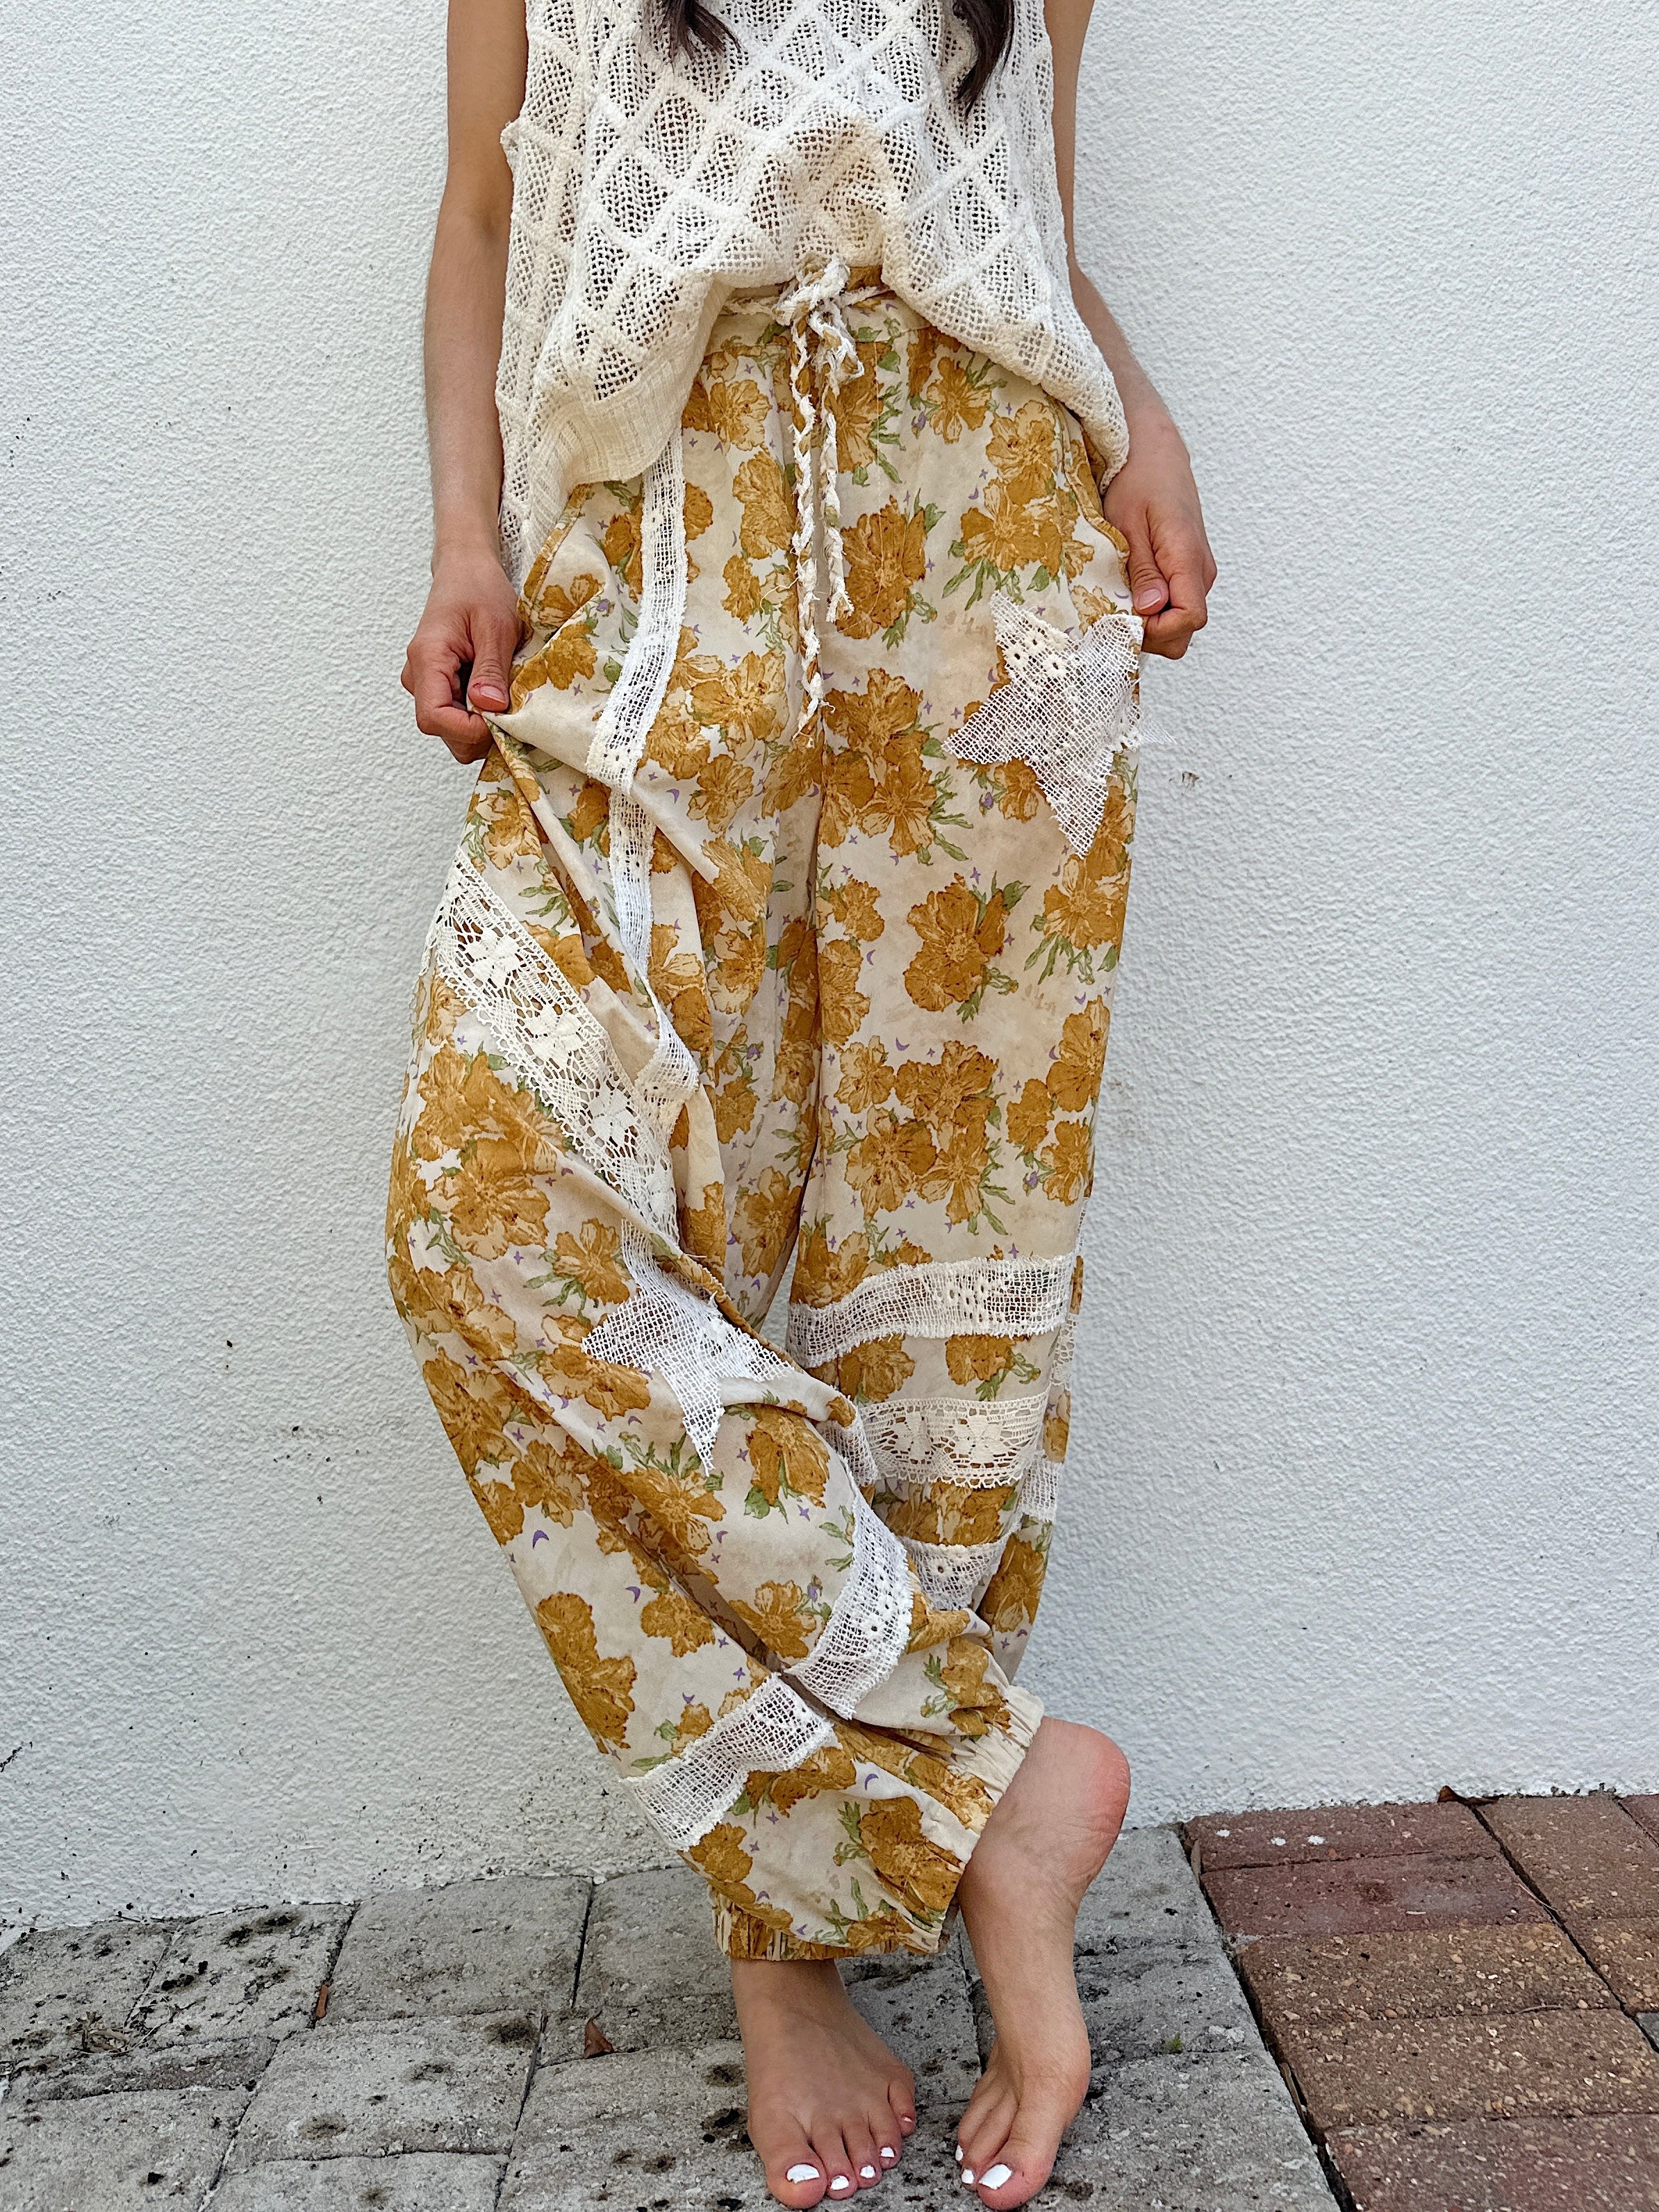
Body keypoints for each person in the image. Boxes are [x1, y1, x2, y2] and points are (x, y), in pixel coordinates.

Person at [390, 0, 1213, 2198]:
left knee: (917, 1267)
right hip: (659, 548)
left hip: (982, 551)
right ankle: (995, 1791)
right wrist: (466, 534)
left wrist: (1135, 416)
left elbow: (1023, 219)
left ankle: (801, 1954)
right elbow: (484, 208)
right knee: (494, 1209)